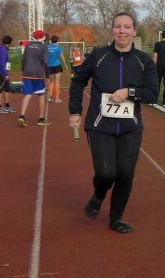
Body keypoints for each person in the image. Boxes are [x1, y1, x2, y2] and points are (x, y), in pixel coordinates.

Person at [68, 12, 158, 234]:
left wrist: (130, 92)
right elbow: (78, 81)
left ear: (134, 31)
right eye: (118, 27)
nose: (122, 31)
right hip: (100, 126)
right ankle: (98, 195)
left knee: (125, 174)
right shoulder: (98, 56)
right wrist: (75, 111)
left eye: (127, 27)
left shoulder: (144, 61)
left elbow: (152, 94)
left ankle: (116, 218)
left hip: (130, 128)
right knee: (106, 174)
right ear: (112, 30)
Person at [18, 30, 51, 127]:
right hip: (38, 74)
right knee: (41, 94)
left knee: (27, 94)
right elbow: (45, 62)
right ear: (43, 37)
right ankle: (41, 118)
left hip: (27, 73)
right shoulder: (44, 47)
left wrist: (23, 71)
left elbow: (23, 60)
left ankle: (22, 116)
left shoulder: (28, 45)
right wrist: (47, 75)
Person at [0, 35, 14, 113]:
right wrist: (6, 74)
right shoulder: (2, 50)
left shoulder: (3, 49)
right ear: (10, 42)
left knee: (7, 88)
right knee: (0, 89)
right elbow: (2, 63)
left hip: (2, 71)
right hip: (1, 72)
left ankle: (7, 106)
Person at [46, 35, 67, 103]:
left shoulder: (47, 47)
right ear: (57, 41)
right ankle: (57, 98)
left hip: (49, 66)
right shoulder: (59, 48)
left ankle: (50, 97)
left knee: (51, 81)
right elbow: (62, 57)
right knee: (57, 81)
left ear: (51, 40)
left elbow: (44, 56)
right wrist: (65, 65)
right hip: (57, 65)